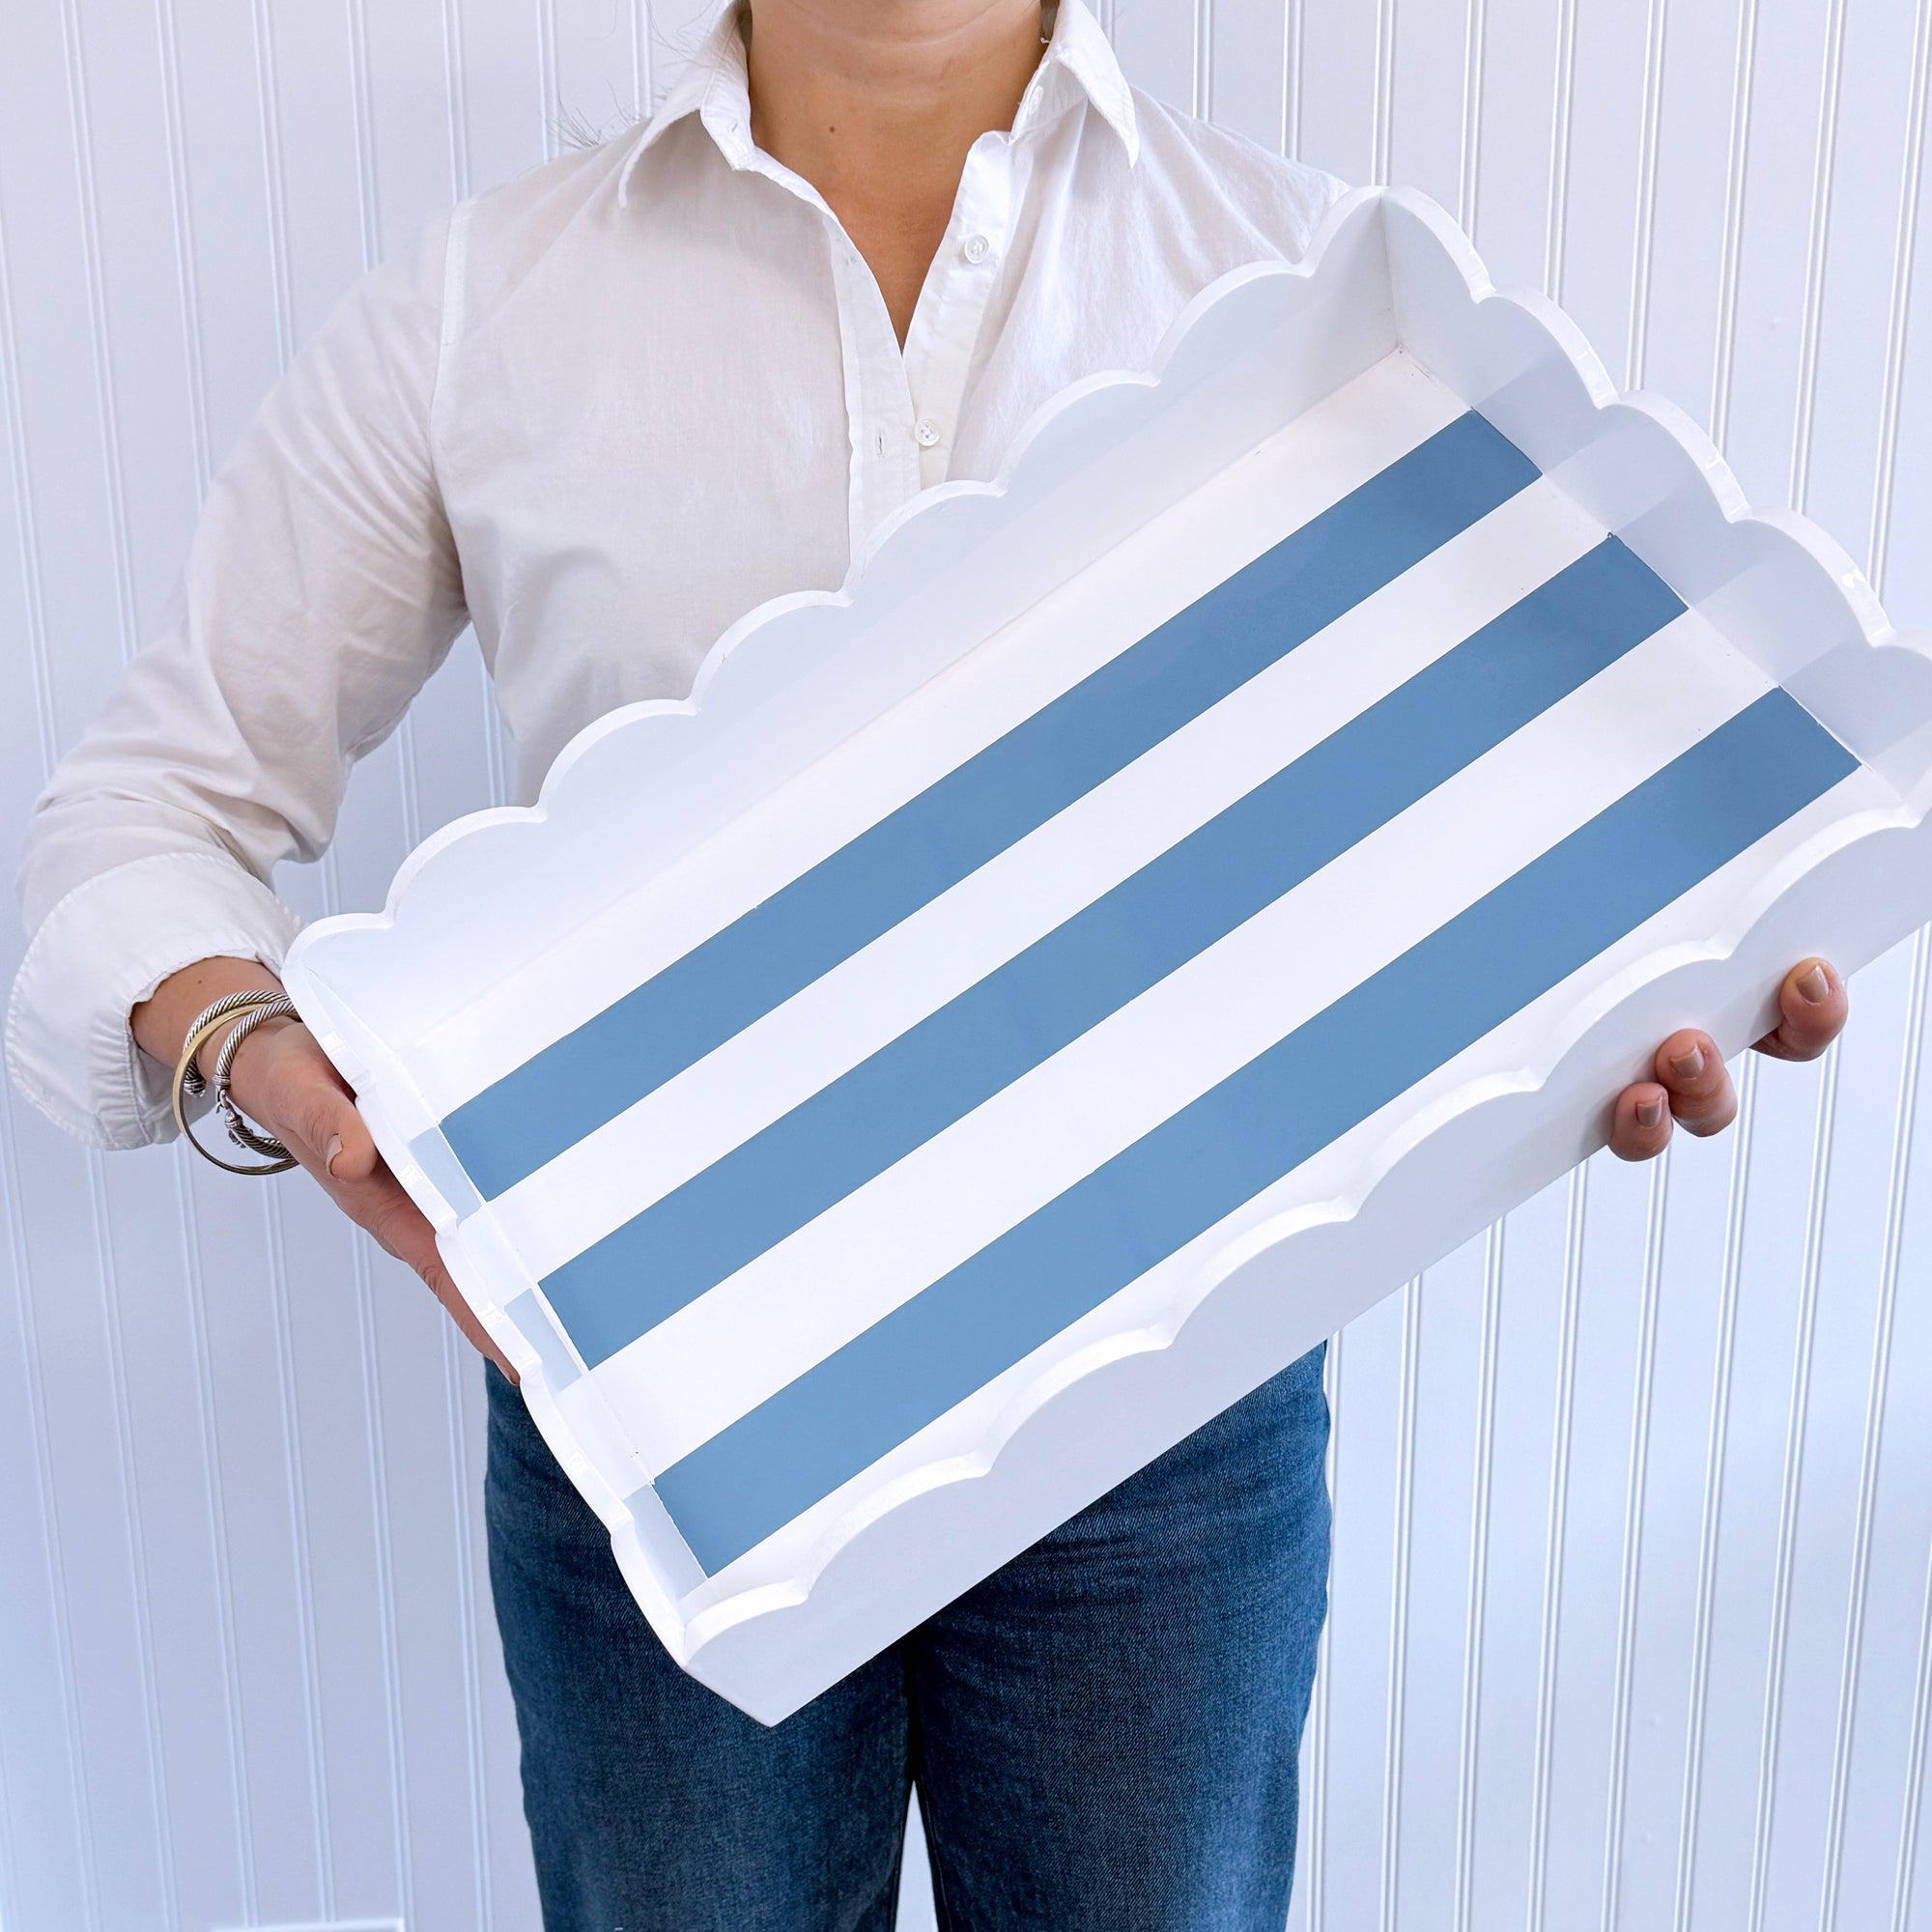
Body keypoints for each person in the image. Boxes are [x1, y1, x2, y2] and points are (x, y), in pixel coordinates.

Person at [6, 1, 1849, 1925]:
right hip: (653, 1411)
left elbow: (1503, 818)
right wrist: (279, 1071)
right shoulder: (487, 300)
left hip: (1171, 1403)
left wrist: (1641, 993)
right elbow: (138, 816)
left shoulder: (1324, 294)